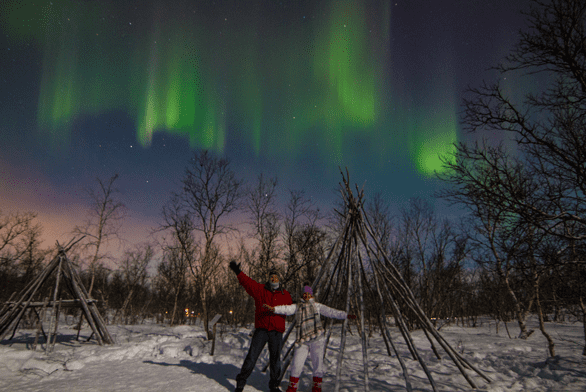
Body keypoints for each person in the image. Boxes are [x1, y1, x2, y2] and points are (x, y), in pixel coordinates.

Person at [264, 284, 356, 392]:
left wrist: (346, 315)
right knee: (296, 364)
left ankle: (316, 387)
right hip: (302, 341)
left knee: (318, 364)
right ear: (302, 295)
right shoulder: (297, 306)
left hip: (317, 339)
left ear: (311, 295)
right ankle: (292, 387)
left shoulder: (317, 306)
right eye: (304, 294)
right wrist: (274, 309)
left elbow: (331, 312)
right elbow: (286, 309)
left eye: (308, 294)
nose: (306, 296)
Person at [229, 260, 293, 392]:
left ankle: (274, 385)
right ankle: (240, 383)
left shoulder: (285, 295)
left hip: (276, 332)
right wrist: (238, 272)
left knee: (275, 360)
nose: (273, 278)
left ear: (279, 279)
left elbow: (292, 308)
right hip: (262, 330)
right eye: (271, 276)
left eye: (276, 276)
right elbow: (247, 282)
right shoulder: (260, 290)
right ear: (269, 279)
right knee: (252, 357)